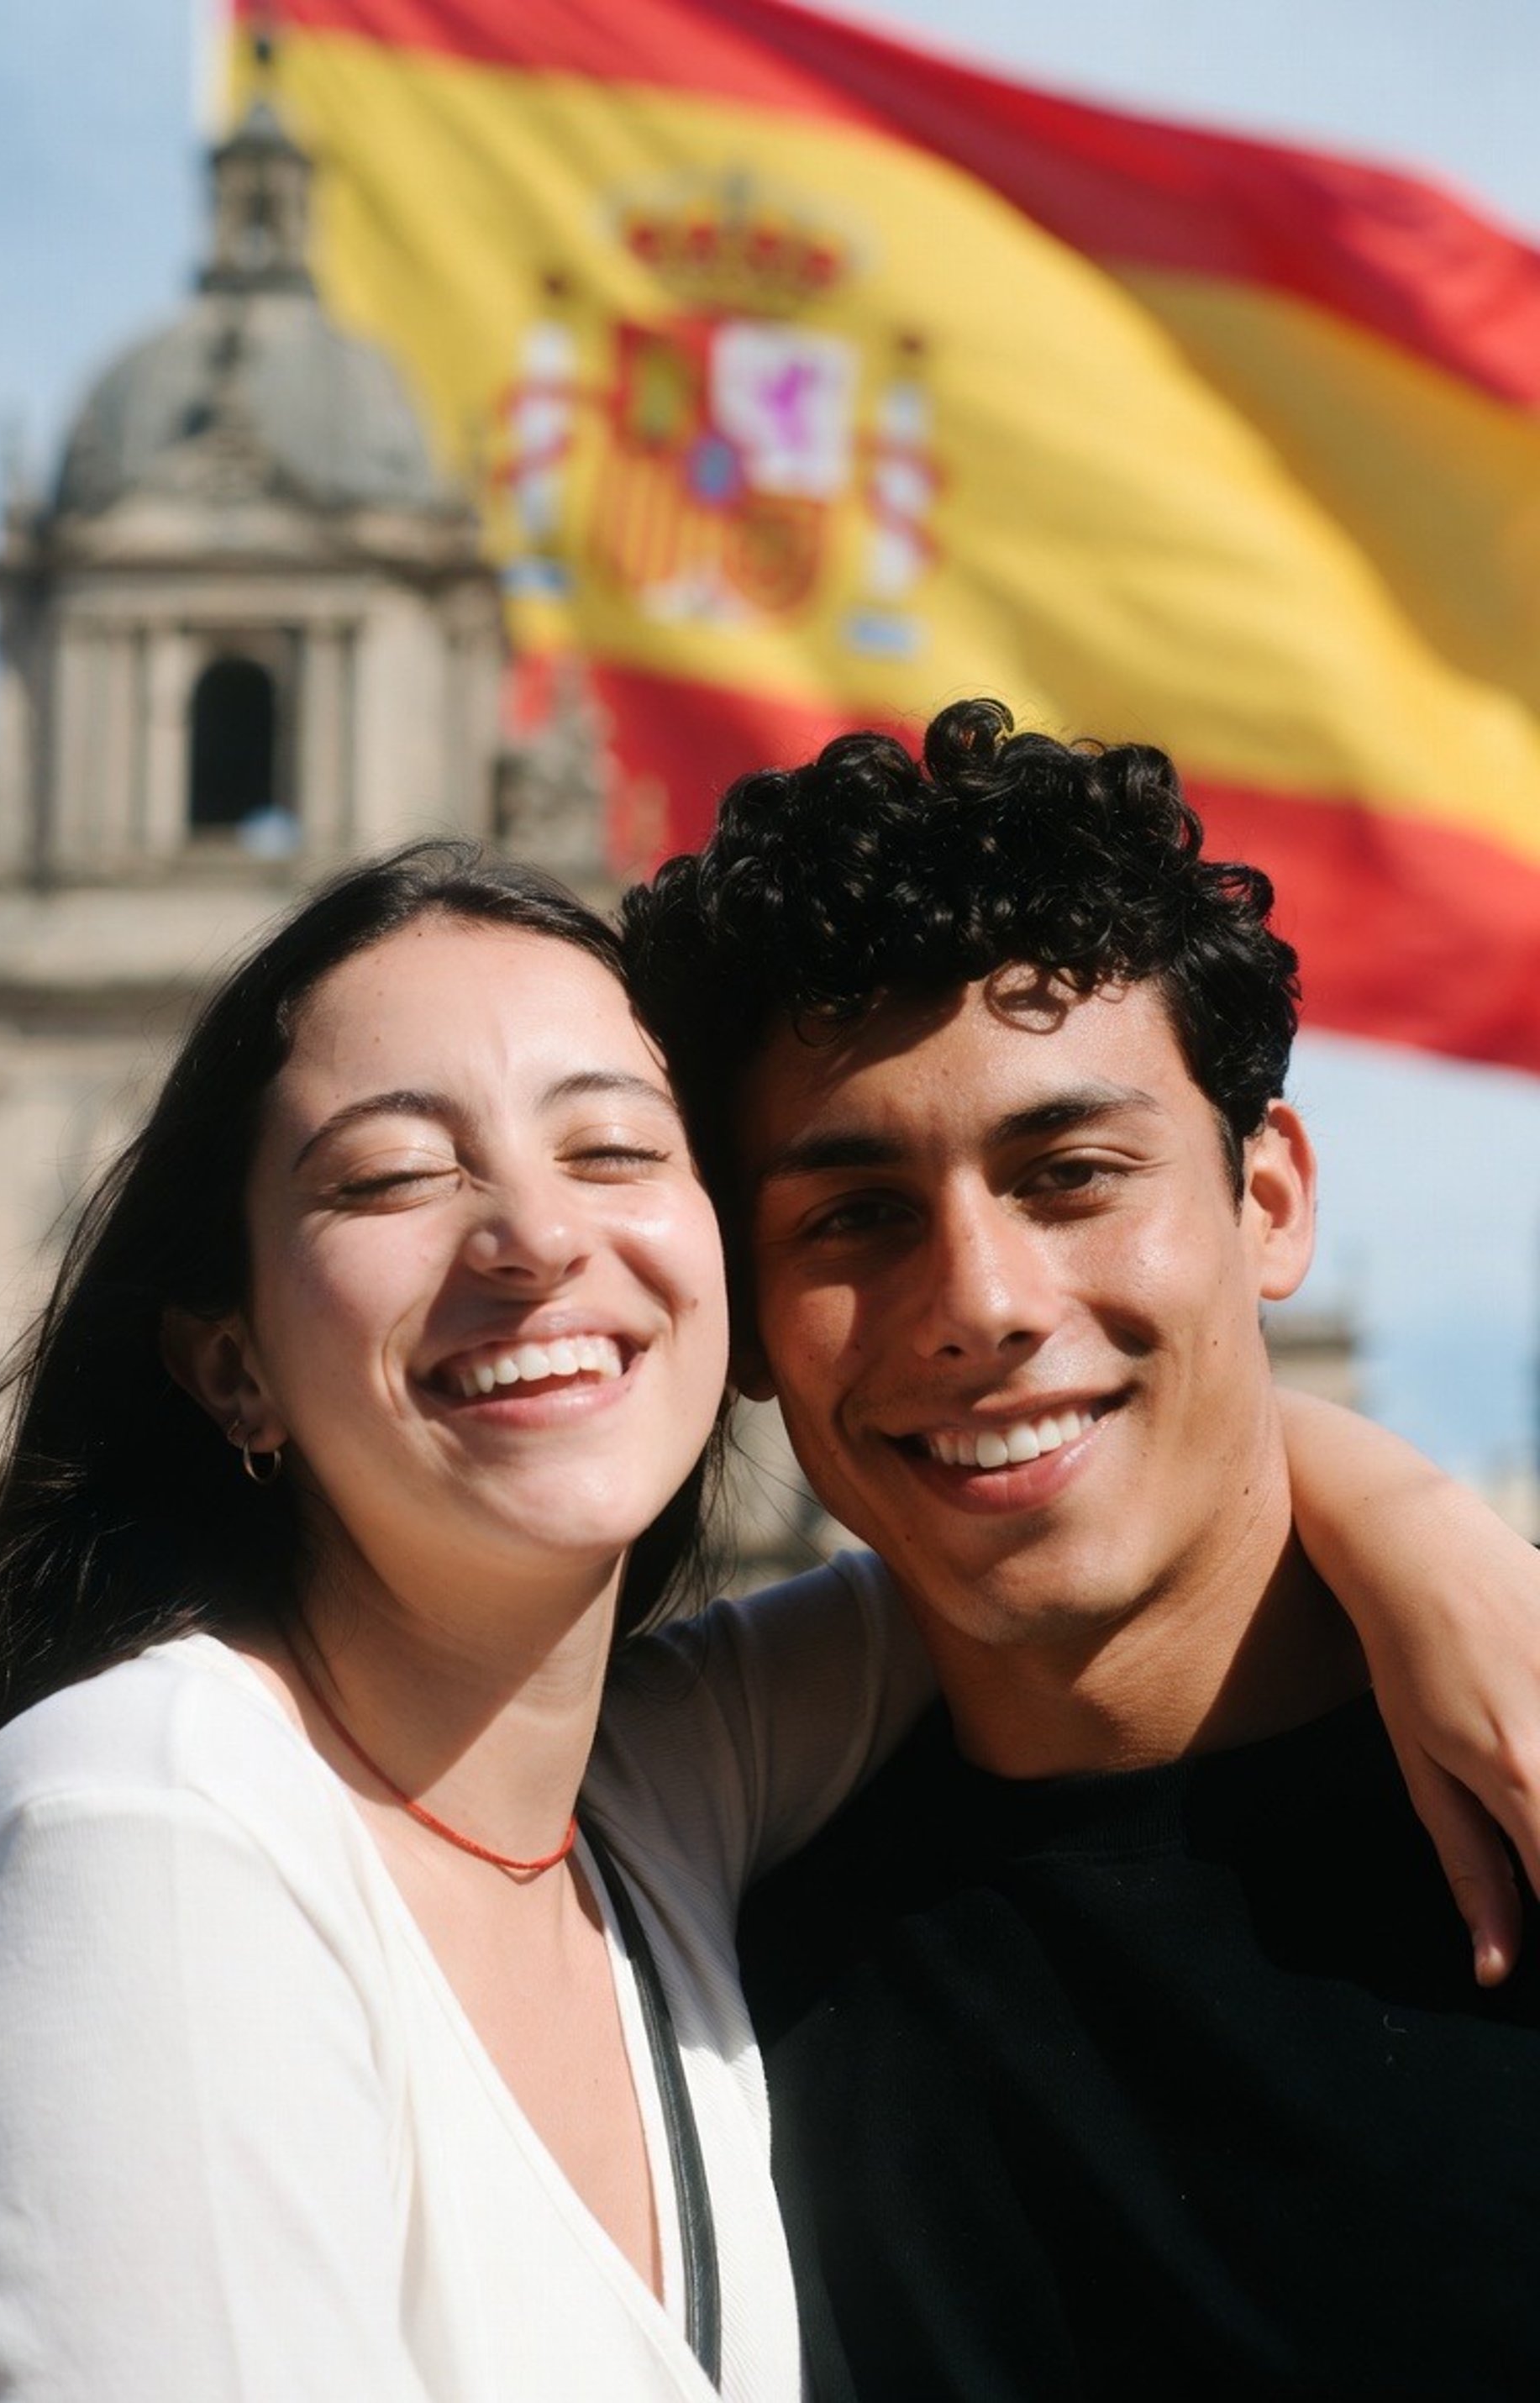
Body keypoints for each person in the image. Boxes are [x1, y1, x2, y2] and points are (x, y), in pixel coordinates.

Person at [0, 834, 1535, 2403]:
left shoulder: (658, 1794)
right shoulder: (149, 1822)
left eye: (616, 1150)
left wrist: (1405, 1516)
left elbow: (1075, 1547)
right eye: (397, 1176)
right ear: (230, 1361)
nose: (537, 1239)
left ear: (1268, 1201)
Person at [621, 698, 1540, 2402]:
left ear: (1270, 1199)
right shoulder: (692, 1970)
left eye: (1073, 1171)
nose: (980, 1301)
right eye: (855, 1213)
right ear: (749, 1315)